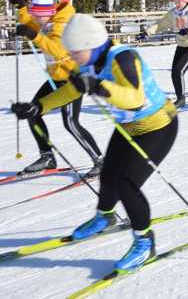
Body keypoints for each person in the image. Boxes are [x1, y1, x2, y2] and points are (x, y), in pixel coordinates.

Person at [12, 14, 179, 272]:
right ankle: (105, 217)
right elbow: (72, 89)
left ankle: (145, 242)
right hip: (127, 127)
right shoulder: (89, 61)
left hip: (158, 126)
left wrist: (98, 85)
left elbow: (133, 98)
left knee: (127, 184)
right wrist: (38, 107)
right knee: (109, 174)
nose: (73, 57)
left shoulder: (123, 58)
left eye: (76, 52)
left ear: (91, 45)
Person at [10, 0, 103, 176]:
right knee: (33, 111)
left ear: (49, 13)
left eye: (38, 15)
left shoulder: (62, 26)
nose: (35, 18)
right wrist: (21, 8)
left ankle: (99, 160)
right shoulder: (46, 21)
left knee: (71, 123)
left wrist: (33, 35)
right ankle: (47, 157)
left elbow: (57, 49)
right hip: (55, 78)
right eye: (34, 14)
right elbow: (31, 25)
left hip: (72, 80)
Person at [142, 0, 188, 108]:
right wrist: (147, 32)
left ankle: (181, 99)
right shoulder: (173, 13)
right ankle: (180, 97)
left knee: (179, 71)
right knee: (174, 72)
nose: (176, 3)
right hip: (181, 45)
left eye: (178, 1)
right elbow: (161, 24)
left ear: (184, 0)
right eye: (175, 1)